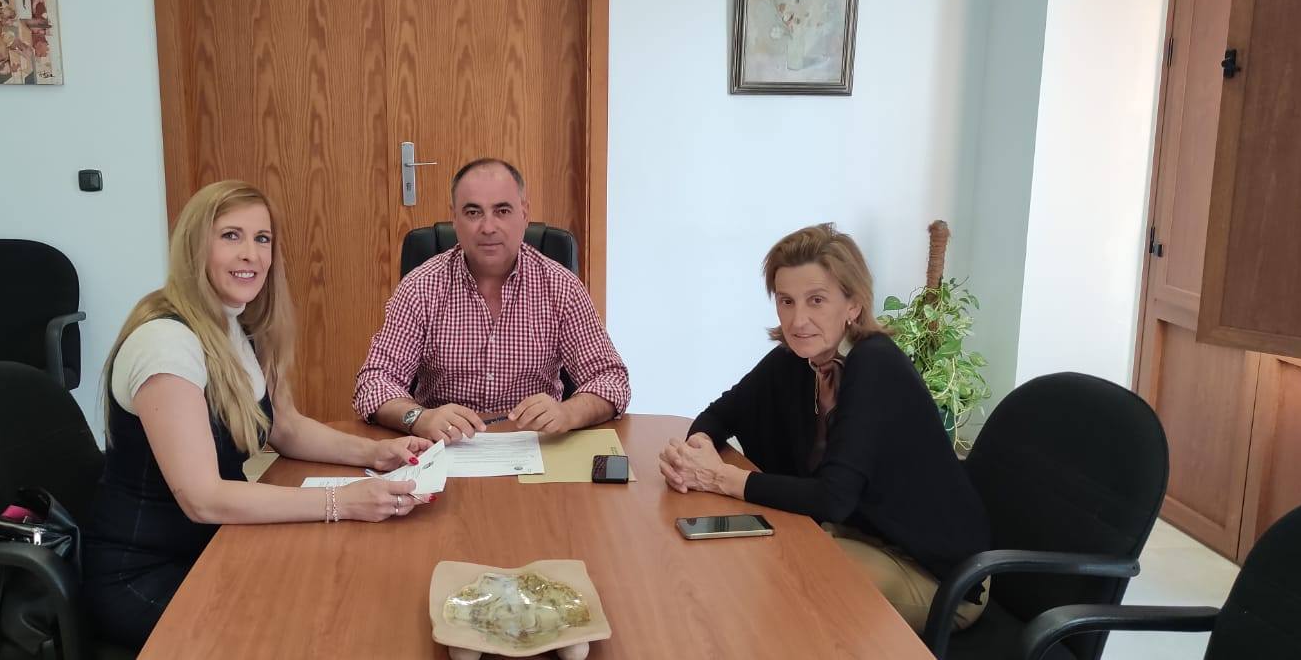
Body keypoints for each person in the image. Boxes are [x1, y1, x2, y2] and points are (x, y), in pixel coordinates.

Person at [83, 180, 433, 651]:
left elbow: (285, 428)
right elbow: (203, 500)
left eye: (262, 238)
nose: (251, 254)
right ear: (194, 246)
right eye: (231, 236)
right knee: (305, 632)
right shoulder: (165, 343)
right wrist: (342, 502)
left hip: (213, 545)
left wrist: (376, 453)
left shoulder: (238, 323)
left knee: (345, 595)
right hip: (147, 573)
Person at [658, 223, 991, 633]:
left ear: (853, 304)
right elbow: (720, 413)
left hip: (933, 572)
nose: (798, 320)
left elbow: (833, 498)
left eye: (816, 300)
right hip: (859, 533)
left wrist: (720, 477)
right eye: (786, 301)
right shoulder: (798, 358)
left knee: (782, 580)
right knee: (747, 554)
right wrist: (696, 453)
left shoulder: (875, 365)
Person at [353, 158, 631, 442]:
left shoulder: (561, 287)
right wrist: (419, 418)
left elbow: (611, 379)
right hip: (445, 446)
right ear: (455, 218)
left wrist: (568, 412)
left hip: (535, 446)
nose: (488, 227)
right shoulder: (420, 287)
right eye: (473, 212)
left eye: (502, 211)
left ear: (524, 213)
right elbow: (374, 382)